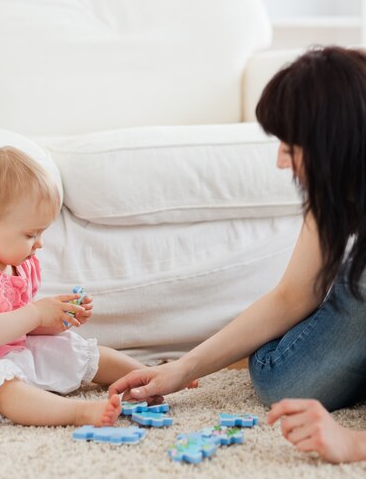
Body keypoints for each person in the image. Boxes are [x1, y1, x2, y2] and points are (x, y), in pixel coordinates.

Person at [109, 46, 366, 463]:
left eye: (291, 145)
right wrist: (181, 369)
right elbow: (293, 295)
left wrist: (354, 444)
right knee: (280, 376)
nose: (282, 161)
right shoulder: (336, 186)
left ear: (334, 142)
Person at [0, 146, 148, 427]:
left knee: (75, 350)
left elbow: (24, 326)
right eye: (31, 234)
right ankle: (77, 413)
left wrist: (58, 319)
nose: (39, 243)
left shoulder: (19, 261)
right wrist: (36, 313)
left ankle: (149, 377)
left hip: (11, 350)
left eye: (42, 233)